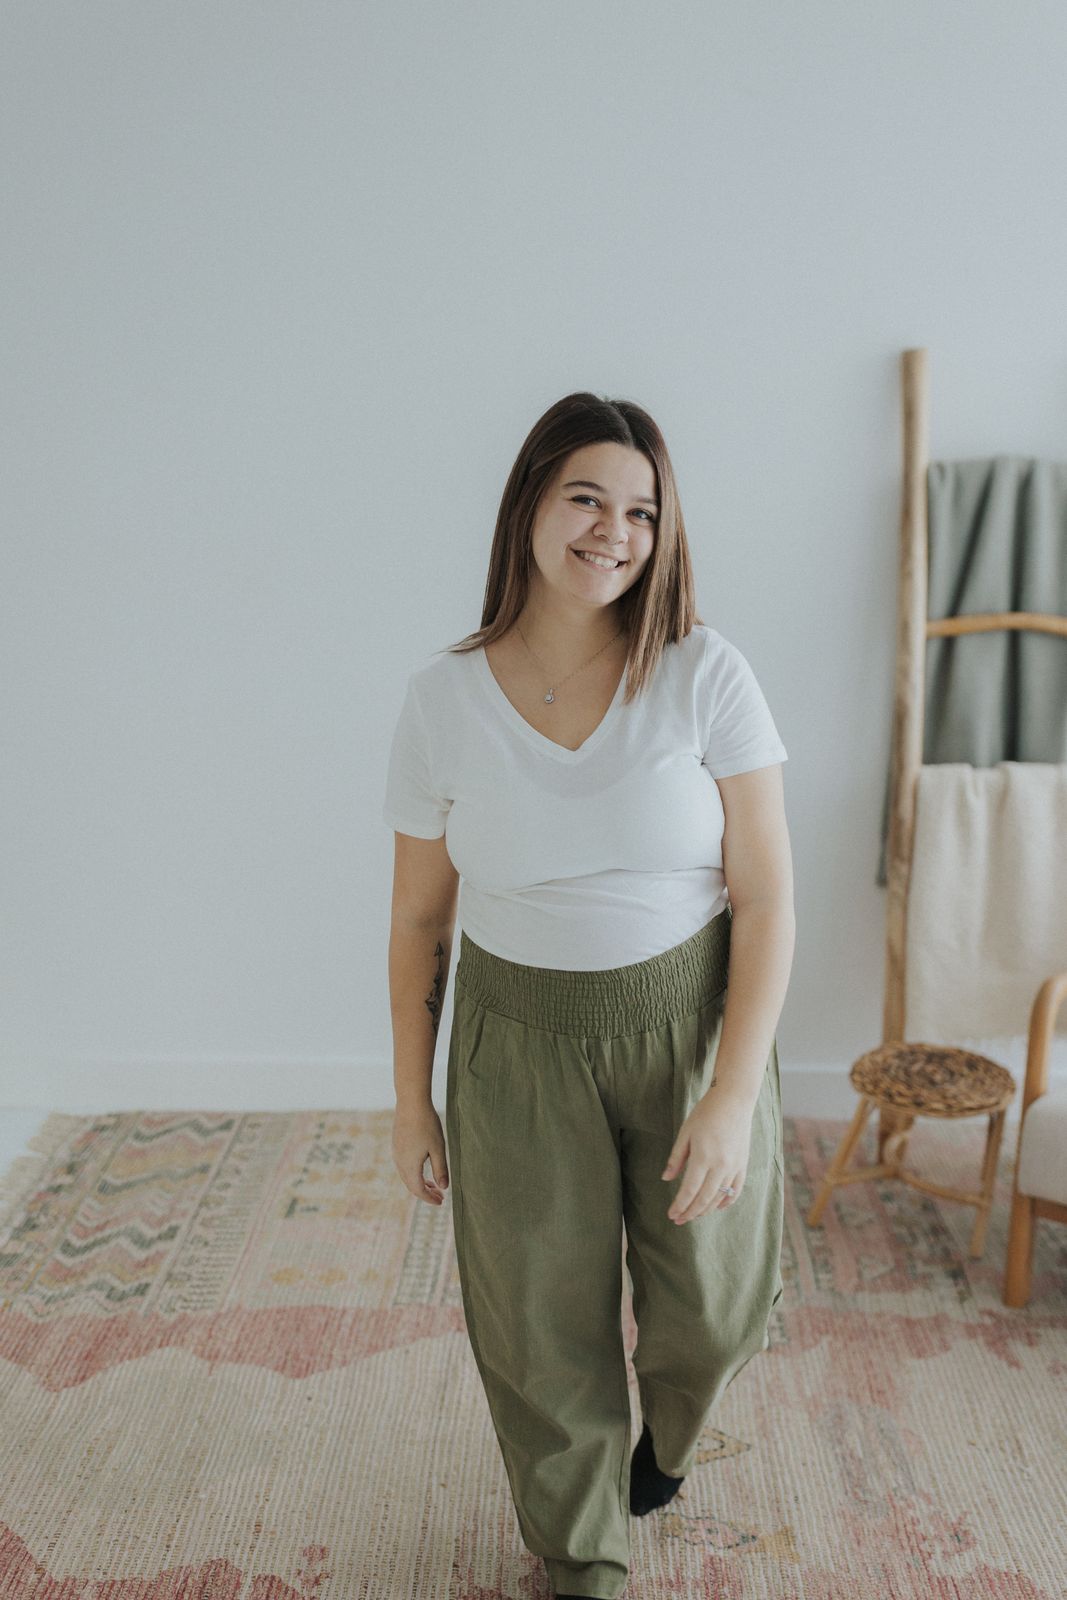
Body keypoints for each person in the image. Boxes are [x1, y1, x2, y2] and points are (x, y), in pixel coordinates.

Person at [383, 391, 795, 1600]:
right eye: (585, 498)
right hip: (514, 1042)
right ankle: (581, 1560)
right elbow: (417, 919)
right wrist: (411, 1101)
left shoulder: (704, 673)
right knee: (537, 1326)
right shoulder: (442, 699)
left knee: (713, 1311)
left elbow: (767, 897)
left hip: (684, 1027)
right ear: (528, 505)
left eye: (642, 511)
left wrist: (729, 1097)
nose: (614, 531)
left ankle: (662, 1445)